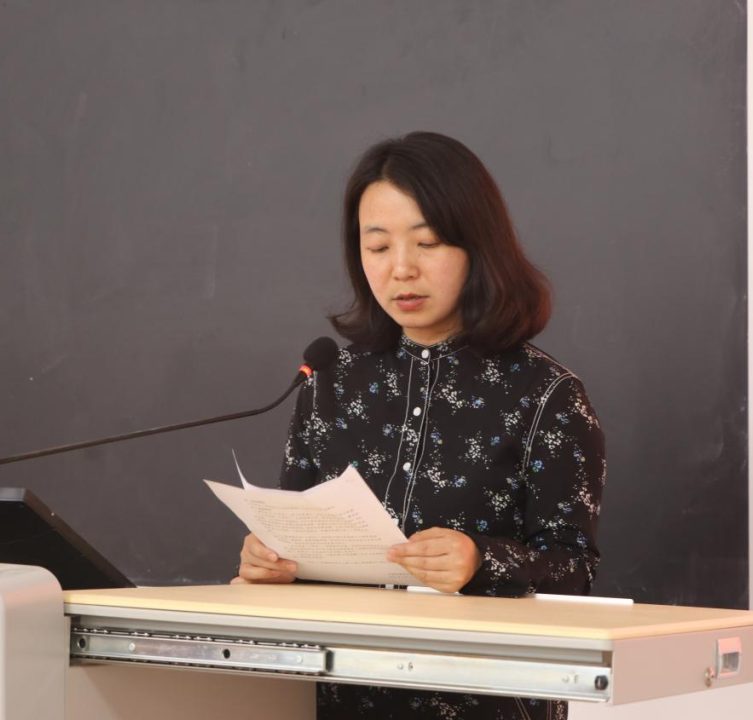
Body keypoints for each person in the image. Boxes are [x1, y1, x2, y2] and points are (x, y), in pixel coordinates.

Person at [233, 131, 606, 720]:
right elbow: (296, 534)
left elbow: (575, 569)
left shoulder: (547, 395)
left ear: (477, 245)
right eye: (378, 247)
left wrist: (481, 560)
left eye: (427, 243)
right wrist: (270, 562)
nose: (401, 269)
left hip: (488, 701)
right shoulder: (330, 380)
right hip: (341, 700)